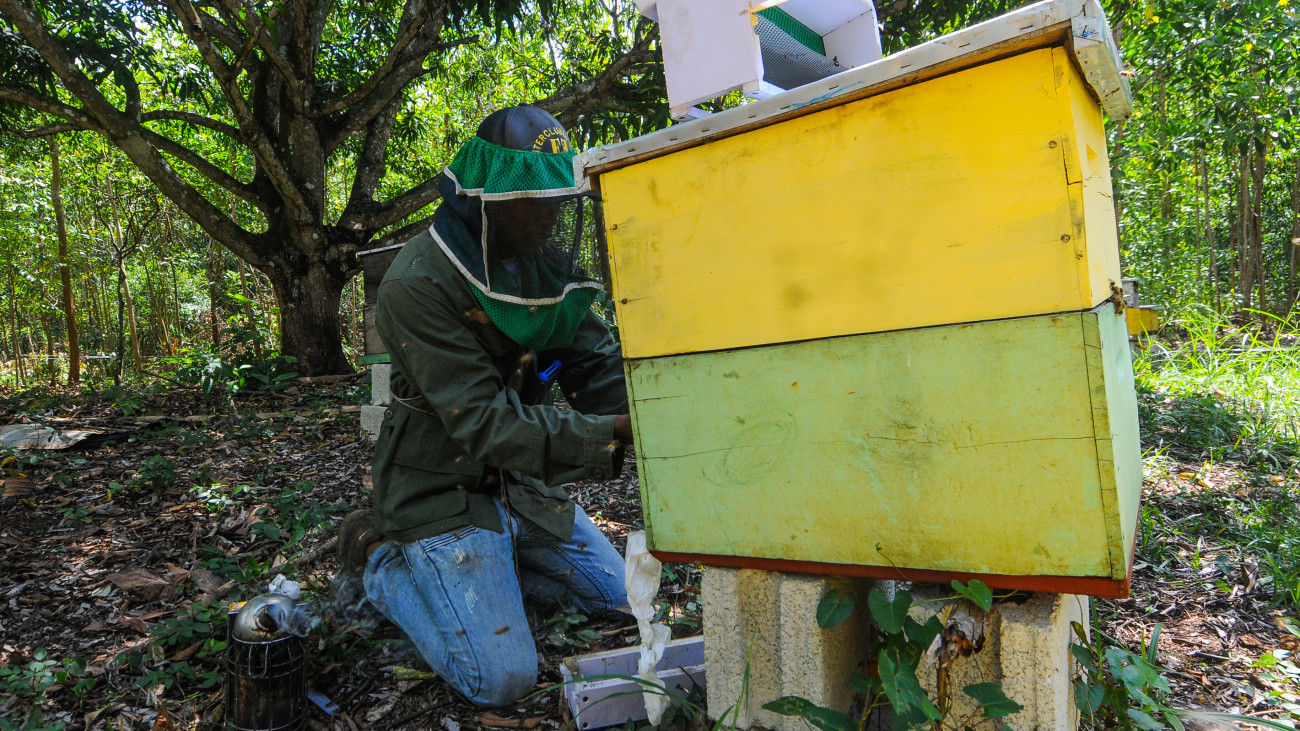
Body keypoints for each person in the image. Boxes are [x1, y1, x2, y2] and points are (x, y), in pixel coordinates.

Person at [338, 106, 634, 707]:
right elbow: (483, 421)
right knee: (501, 679)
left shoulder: (540, 264)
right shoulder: (418, 283)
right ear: (488, 198)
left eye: (557, 200)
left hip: (519, 484)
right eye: (533, 201)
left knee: (621, 601)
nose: (551, 215)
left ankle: (494, 576)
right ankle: (379, 559)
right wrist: (616, 432)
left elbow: (594, 360)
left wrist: (659, 408)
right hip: (440, 488)